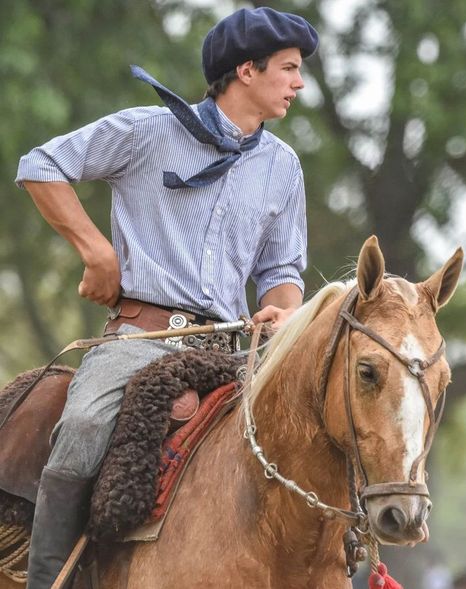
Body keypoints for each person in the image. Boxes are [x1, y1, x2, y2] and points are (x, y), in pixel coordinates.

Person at [15, 6, 318, 588]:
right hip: (140, 339)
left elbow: (281, 267)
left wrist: (284, 307)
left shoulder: (284, 167)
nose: (299, 83)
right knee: (78, 435)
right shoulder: (146, 131)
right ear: (246, 72)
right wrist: (98, 254)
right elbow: (41, 165)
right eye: (289, 68)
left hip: (232, 351)